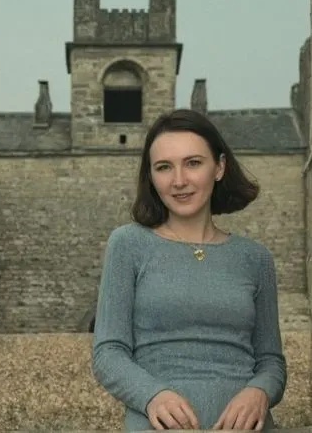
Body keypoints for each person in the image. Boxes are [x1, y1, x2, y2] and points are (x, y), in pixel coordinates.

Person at [92, 108, 287, 431]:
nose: (179, 180)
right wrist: (153, 395)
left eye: (193, 163)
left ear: (219, 167)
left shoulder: (255, 258)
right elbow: (108, 352)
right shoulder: (127, 245)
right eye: (164, 167)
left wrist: (259, 392)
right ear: (151, 177)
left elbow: (271, 361)